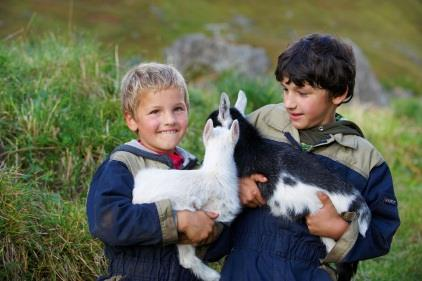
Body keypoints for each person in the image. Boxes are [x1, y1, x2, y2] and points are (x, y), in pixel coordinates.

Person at [210, 33, 400, 280]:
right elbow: (214, 167)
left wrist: (340, 229)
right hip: (244, 269)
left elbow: (381, 233)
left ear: (339, 94)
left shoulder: (364, 160)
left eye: (302, 93)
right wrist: (236, 185)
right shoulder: (260, 121)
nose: (289, 102)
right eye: (285, 89)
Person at [86, 62, 221, 281]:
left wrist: (211, 230)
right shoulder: (122, 165)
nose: (169, 120)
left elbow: (215, 244)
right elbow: (107, 222)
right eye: (155, 111)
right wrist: (178, 221)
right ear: (131, 120)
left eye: (178, 108)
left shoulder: (194, 169)